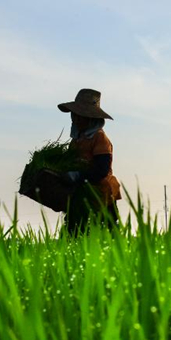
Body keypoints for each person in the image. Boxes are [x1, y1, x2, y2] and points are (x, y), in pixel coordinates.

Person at [57, 89, 122, 234]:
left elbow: (101, 170)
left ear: (91, 118)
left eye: (80, 116)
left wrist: (77, 176)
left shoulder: (99, 138)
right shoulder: (77, 139)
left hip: (101, 194)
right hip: (82, 193)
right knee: (74, 230)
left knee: (107, 232)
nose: (75, 119)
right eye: (74, 115)